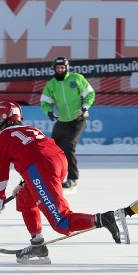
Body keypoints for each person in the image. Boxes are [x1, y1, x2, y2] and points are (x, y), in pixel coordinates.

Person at [0, 101, 127, 264]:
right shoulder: (31, 129)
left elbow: (0, 173)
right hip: (59, 161)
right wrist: (23, 183)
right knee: (25, 199)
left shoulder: (3, 138)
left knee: (61, 221)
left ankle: (103, 219)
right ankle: (37, 245)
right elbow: (35, 151)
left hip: (41, 167)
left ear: (1, 119)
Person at [40, 56, 96, 192]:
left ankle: (72, 179)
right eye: (58, 67)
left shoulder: (76, 78)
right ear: (54, 69)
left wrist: (85, 107)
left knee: (68, 146)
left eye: (63, 67)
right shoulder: (51, 84)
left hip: (78, 119)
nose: (60, 69)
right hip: (62, 120)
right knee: (53, 149)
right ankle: (53, 177)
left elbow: (90, 94)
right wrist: (49, 112)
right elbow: (45, 101)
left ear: (67, 68)